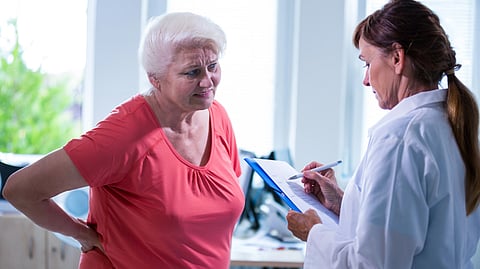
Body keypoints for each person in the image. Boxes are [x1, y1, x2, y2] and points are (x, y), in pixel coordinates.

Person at [3, 12, 245, 269]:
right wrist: (80, 233)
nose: (208, 81)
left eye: (213, 66)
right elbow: (20, 190)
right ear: (155, 79)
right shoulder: (123, 135)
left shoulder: (216, 115)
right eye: (192, 72)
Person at [286, 0, 480, 268]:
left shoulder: (400, 139)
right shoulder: (450, 125)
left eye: (367, 63)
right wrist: (342, 203)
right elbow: (412, 229)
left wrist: (314, 233)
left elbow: (374, 264)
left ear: (397, 58)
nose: (366, 79)